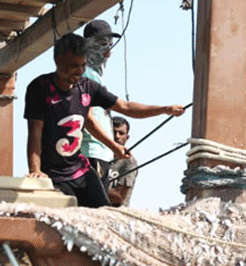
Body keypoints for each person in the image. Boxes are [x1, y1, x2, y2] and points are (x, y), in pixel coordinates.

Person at [24, 32, 185, 208]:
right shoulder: (40, 88)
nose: (79, 71)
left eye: (83, 65)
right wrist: (35, 170)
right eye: (73, 66)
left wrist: (164, 109)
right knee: (71, 213)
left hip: (80, 169)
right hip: (53, 174)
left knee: (103, 211)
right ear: (58, 61)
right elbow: (35, 131)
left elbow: (124, 107)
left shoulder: (87, 87)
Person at [79, 19, 120, 191]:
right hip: (91, 153)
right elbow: (88, 118)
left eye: (110, 45)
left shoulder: (95, 76)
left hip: (100, 153)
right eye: (103, 45)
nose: (108, 52)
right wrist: (114, 146)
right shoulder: (86, 75)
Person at [108, 116, 137, 207]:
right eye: (114, 132)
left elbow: (119, 196)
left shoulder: (129, 162)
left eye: (121, 133)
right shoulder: (98, 155)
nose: (117, 136)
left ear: (127, 137)